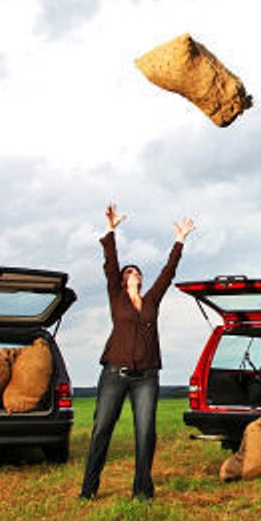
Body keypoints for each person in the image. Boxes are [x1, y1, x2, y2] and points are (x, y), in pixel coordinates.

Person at [79, 203, 195, 501]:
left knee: (146, 433)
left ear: (141, 280)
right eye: (128, 271)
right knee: (102, 429)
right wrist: (110, 230)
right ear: (122, 279)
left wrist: (180, 240)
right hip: (114, 374)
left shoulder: (152, 300)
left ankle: (142, 491)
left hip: (146, 377)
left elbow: (168, 273)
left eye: (136, 271)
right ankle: (89, 490)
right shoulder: (116, 297)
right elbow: (110, 262)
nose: (133, 272)